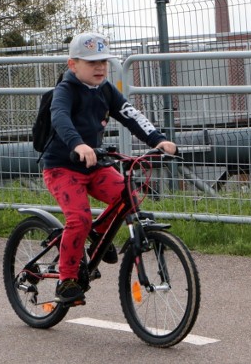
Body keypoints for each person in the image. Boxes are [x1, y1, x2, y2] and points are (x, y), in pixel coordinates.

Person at [41, 32, 177, 306]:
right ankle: (66, 279)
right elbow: (60, 119)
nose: (100, 67)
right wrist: (78, 144)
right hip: (62, 168)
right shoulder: (65, 90)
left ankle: (97, 239)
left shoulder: (104, 90)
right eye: (91, 62)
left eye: (103, 61)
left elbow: (131, 114)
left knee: (131, 196)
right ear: (73, 65)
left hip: (96, 165)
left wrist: (158, 139)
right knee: (79, 219)